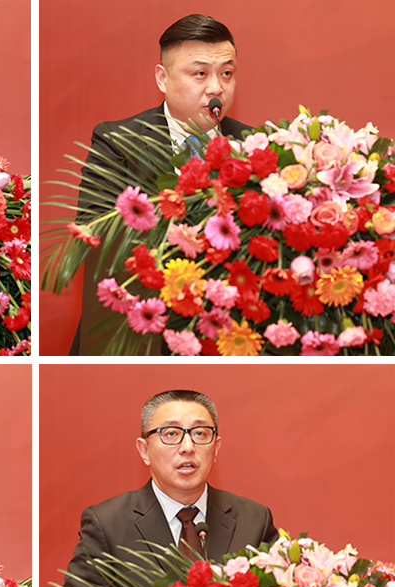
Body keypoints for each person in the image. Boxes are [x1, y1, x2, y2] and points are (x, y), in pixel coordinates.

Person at [70, 14, 253, 355]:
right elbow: (95, 231)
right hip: (140, 331)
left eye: (226, 73)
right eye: (200, 74)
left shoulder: (255, 145)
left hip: (230, 333)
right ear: (162, 78)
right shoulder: (118, 142)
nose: (216, 88)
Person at [53, 390, 278, 587]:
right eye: (171, 434)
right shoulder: (107, 524)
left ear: (216, 448)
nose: (188, 447)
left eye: (200, 434)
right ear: (144, 450)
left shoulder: (254, 520)